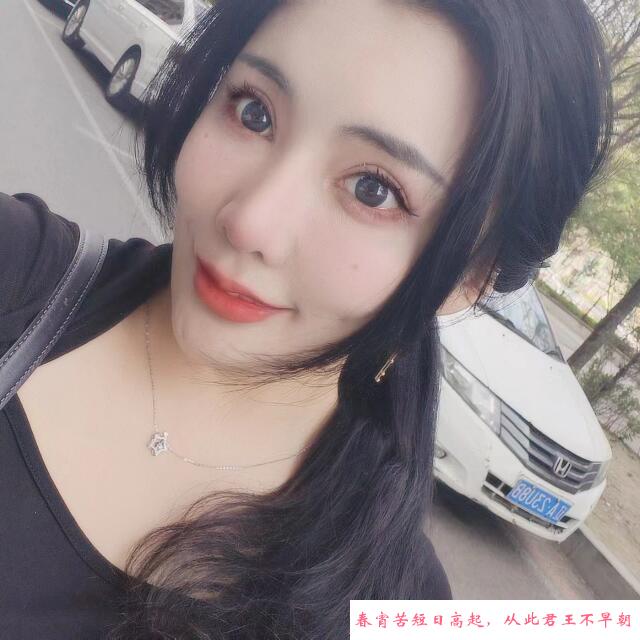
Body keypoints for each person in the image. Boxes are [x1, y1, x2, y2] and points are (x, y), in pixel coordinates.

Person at [0, 0, 613, 637]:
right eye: (254, 111)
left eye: (373, 189)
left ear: (469, 276)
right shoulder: (18, 271)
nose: (249, 223)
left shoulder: (390, 609)